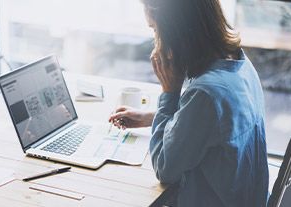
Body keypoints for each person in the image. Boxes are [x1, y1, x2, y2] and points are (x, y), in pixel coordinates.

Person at [108, 0, 269, 206]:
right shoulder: (240, 65)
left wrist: (170, 92)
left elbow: (164, 167)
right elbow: (213, 124)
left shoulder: (206, 93)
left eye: (156, 29)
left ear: (177, 30)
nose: (156, 41)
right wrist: (150, 117)